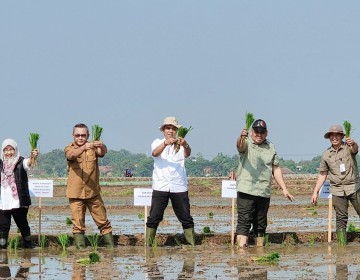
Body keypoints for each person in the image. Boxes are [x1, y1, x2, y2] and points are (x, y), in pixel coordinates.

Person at [235, 119, 294, 248]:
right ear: (251, 132)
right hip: (246, 190)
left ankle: (260, 252)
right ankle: (241, 255)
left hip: (263, 191)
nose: (259, 135)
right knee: (244, 222)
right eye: (256, 131)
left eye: (262, 132)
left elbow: (276, 169)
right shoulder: (246, 143)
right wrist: (241, 137)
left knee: (260, 224)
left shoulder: (270, 146)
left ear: (266, 133)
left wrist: (284, 188)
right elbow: (240, 147)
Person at [146, 116, 195, 246]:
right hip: (161, 186)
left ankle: (191, 245)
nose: (170, 131)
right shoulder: (157, 142)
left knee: (185, 217)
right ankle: (148, 246)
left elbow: (188, 153)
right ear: (163, 130)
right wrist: (165, 143)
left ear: (176, 131)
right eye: (168, 128)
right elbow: (154, 153)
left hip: (178, 186)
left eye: (173, 129)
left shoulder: (182, 144)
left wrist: (185, 144)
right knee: (154, 217)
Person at [64, 123, 114, 249]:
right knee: (78, 224)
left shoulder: (93, 147)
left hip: (93, 192)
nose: (80, 138)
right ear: (73, 136)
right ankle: (81, 251)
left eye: (83, 135)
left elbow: (103, 152)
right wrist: (84, 148)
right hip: (76, 193)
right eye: (77, 135)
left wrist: (101, 145)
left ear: (88, 135)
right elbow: (71, 155)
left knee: (103, 222)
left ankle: (111, 249)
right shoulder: (69, 148)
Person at [311, 124, 360, 244]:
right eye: (331, 135)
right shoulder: (326, 154)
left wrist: (353, 143)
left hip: (354, 187)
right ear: (329, 137)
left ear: (341, 136)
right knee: (340, 219)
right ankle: (342, 246)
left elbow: (355, 149)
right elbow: (323, 174)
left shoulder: (348, 147)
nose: (334, 137)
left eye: (337, 134)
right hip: (337, 190)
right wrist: (315, 191)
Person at [0, 138, 38, 249]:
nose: (8, 152)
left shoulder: (21, 162)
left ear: (15, 150)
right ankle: (2, 250)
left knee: (23, 225)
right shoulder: (0, 164)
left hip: (18, 201)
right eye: (5, 150)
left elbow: (29, 163)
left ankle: (28, 246)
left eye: (11, 149)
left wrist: (33, 156)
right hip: (4, 202)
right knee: (3, 226)